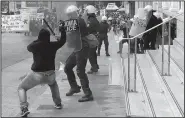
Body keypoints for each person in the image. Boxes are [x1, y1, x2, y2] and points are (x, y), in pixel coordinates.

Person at [17, 28, 66, 117]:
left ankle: (24, 108)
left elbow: (29, 46)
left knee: (21, 88)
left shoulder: (35, 46)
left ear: (39, 37)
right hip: (50, 74)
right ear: (48, 37)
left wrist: (38, 40)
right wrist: (62, 31)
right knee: (53, 84)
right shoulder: (53, 45)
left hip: (37, 74)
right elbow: (63, 41)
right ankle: (58, 103)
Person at [64, 5, 94, 102]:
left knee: (80, 71)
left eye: (70, 14)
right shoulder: (73, 21)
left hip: (82, 48)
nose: (69, 16)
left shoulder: (78, 21)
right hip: (77, 48)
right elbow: (70, 35)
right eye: (68, 15)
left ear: (74, 13)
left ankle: (88, 93)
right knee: (67, 67)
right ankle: (74, 87)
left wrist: (64, 32)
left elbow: (72, 34)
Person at [85, 5, 100, 74]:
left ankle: (94, 68)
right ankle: (95, 66)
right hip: (95, 39)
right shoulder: (94, 19)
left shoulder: (90, 20)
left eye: (86, 11)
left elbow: (88, 29)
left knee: (90, 54)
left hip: (92, 39)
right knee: (93, 53)